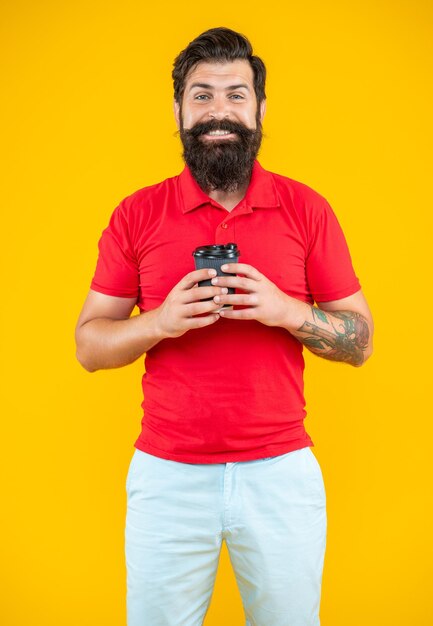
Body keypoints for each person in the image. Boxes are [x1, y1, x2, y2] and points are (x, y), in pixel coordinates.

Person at [75, 27, 373, 626]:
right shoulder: (137, 212)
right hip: (167, 475)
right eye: (202, 95)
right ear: (179, 110)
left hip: (281, 473)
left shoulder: (307, 208)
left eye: (236, 95)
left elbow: (361, 341)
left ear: (260, 109)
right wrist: (160, 322)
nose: (219, 111)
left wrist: (286, 310)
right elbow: (89, 344)